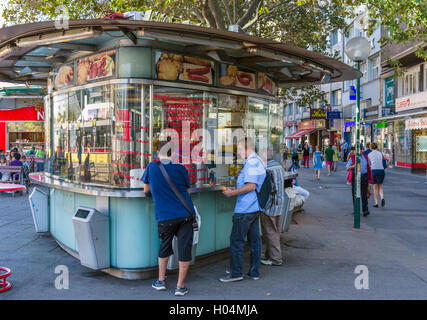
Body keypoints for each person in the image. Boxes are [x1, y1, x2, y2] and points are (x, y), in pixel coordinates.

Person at [142, 140, 196, 296]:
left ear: (158, 153)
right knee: (184, 248)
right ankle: (180, 287)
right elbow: (187, 190)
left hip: (165, 216)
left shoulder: (152, 167)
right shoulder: (180, 168)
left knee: (165, 246)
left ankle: (160, 281)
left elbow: (146, 190)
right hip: (185, 215)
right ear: (173, 153)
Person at [221, 137, 266, 282]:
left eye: (240, 149)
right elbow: (251, 185)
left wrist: (232, 193)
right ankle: (254, 272)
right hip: (253, 207)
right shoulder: (256, 161)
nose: (238, 152)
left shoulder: (252, 163)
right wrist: (236, 189)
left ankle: (236, 273)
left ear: (247, 149)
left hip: (246, 208)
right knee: (254, 241)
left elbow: (251, 186)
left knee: (236, 241)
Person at [260, 151, 286, 267]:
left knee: (270, 233)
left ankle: (276, 259)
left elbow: (264, 189)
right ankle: (269, 255)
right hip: (279, 204)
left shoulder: (266, 169)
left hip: (270, 205)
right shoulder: (278, 166)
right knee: (275, 232)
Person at [346, 146, 373, 217]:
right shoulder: (352, 158)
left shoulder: (365, 157)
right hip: (355, 177)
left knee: (364, 194)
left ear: (362, 150)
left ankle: (365, 210)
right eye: (357, 150)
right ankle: (356, 210)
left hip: (364, 177)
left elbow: (369, 168)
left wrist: (369, 180)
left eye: (361, 150)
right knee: (355, 194)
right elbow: (347, 167)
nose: (359, 151)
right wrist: (353, 166)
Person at [368, 142, 389, 208]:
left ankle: (376, 203)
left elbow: (369, 164)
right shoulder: (381, 153)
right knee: (380, 186)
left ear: (371, 147)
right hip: (381, 170)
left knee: (375, 188)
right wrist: (385, 166)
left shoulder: (369, 154)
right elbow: (389, 159)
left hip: (374, 170)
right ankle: (382, 198)